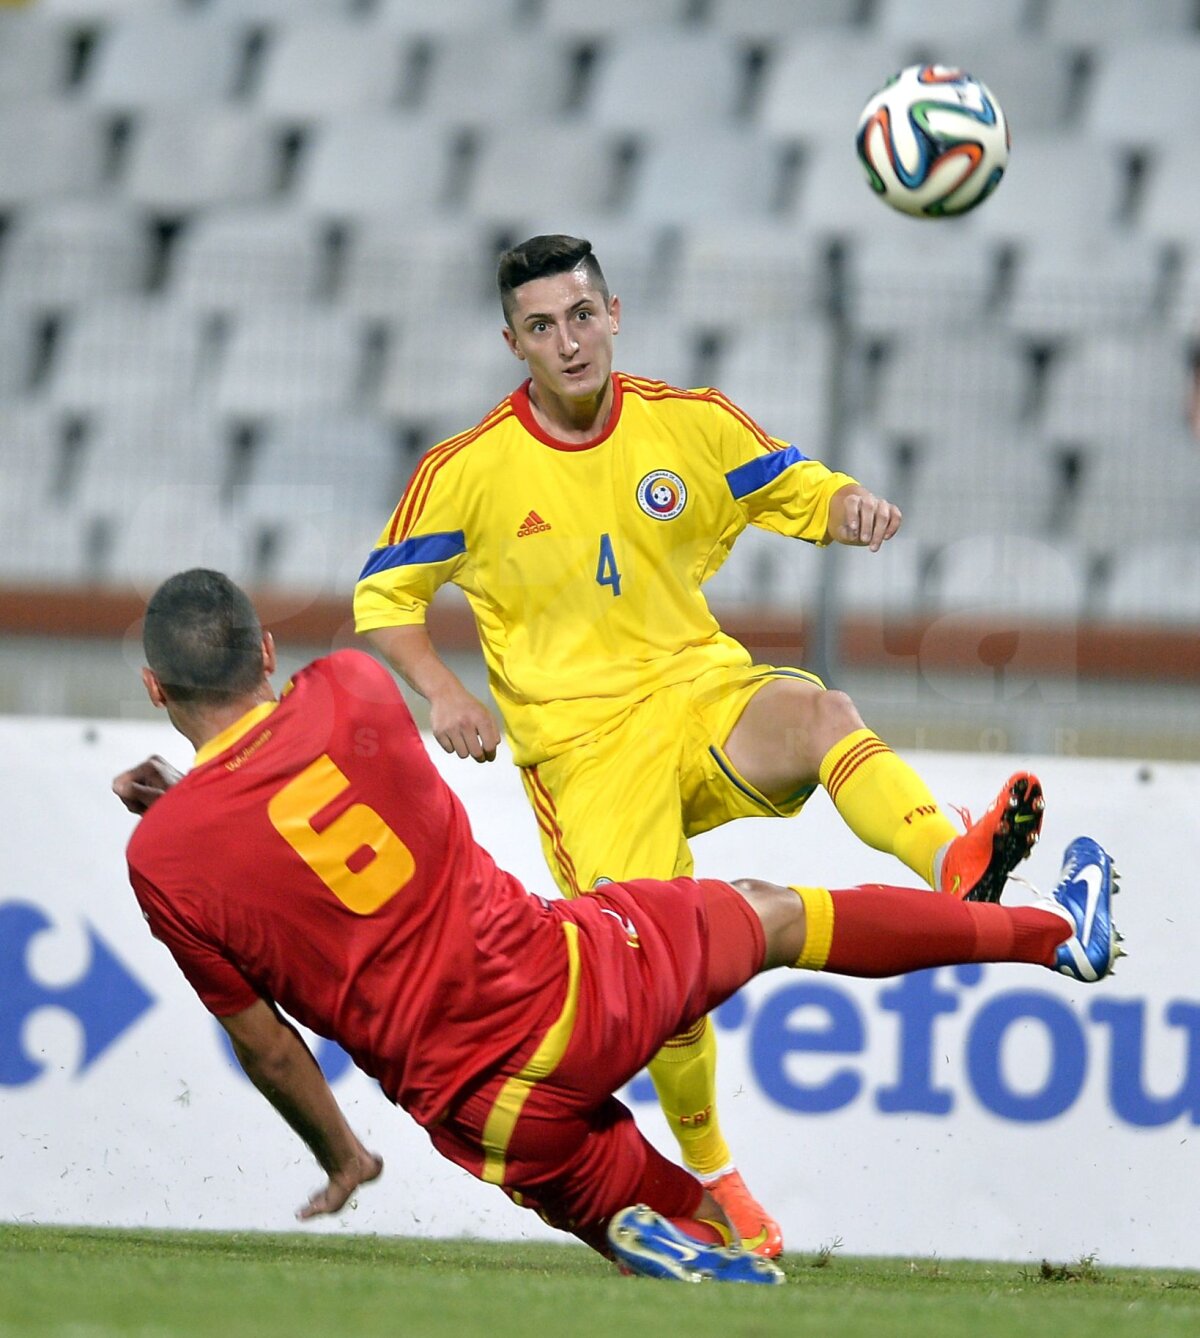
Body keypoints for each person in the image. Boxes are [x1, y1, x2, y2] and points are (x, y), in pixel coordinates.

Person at [117, 570, 1121, 1284]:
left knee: (719, 1238)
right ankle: (1049, 936)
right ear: (268, 650)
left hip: (490, 1116)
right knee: (774, 917)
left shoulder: (164, 863)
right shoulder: (351, 689)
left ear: (156, 690)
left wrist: (345, 1157)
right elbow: (300, 779)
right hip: (574, 986)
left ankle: (680, 1230)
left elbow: (272, 1051)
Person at [351, 234, 1046, 1254]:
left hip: (697, 692)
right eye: (542, 326)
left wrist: (847, 508)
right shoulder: (467, 472)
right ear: (514, 344)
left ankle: (955, 858)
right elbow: (384, 599)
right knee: (661, 969)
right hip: (583, 753)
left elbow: (794, 485)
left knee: (820, 714)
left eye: (582, 315)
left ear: (615, 313)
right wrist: (445, 692)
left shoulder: (690, 422)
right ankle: (718, 1182)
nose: (570, 340)